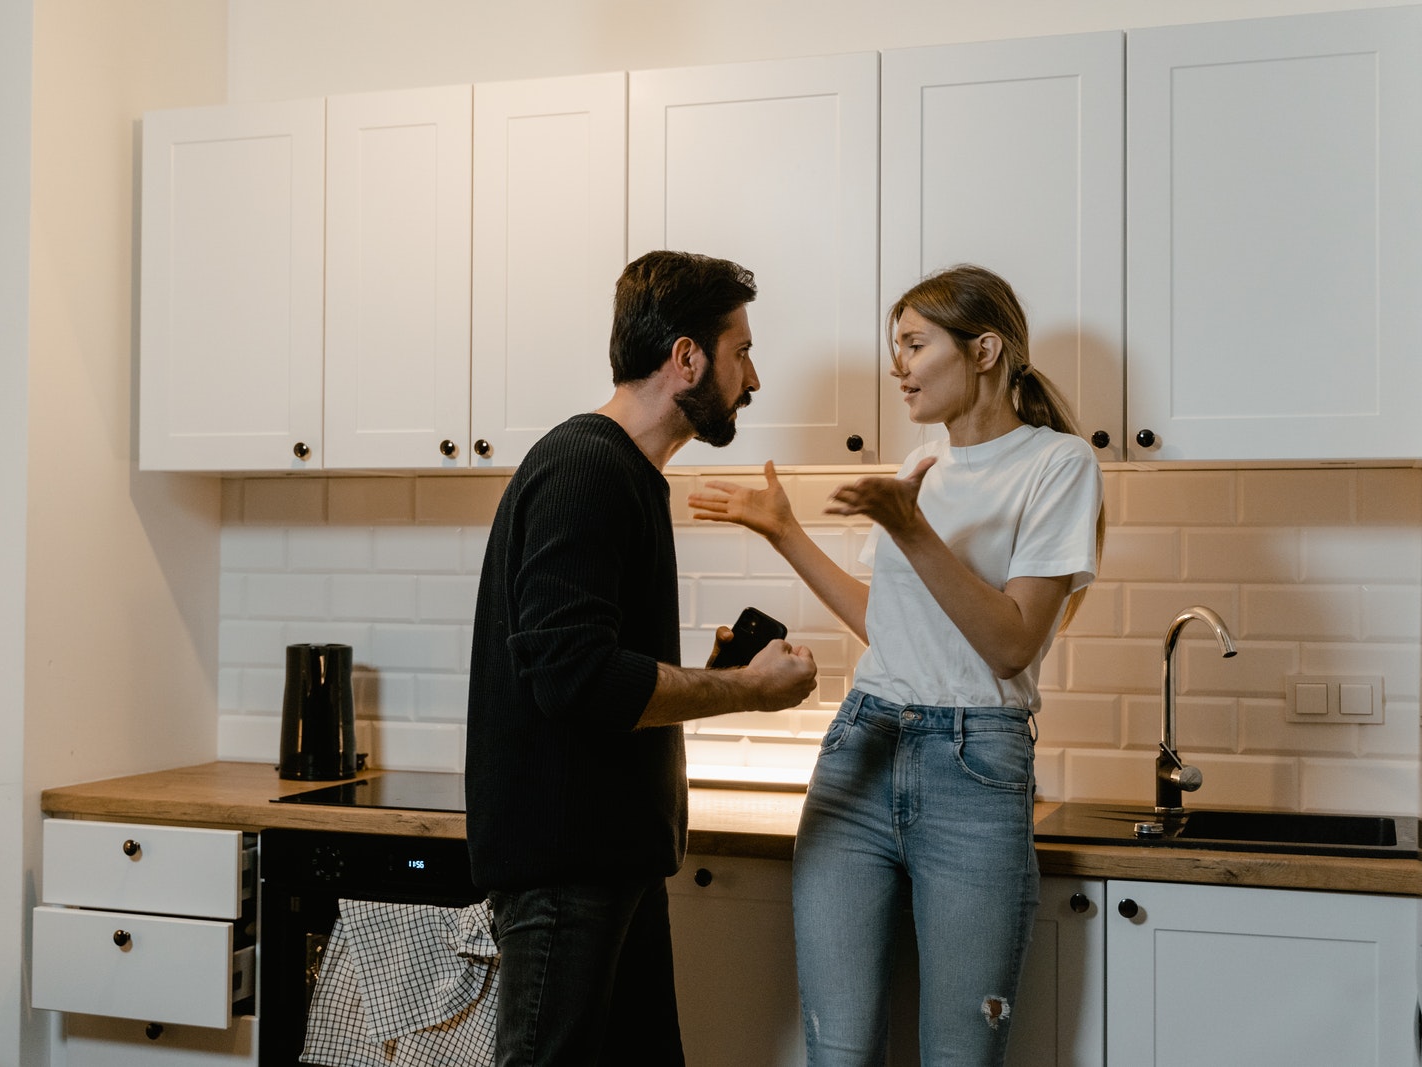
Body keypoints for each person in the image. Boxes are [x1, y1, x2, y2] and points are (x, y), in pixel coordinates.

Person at [689, 264, 1103, 1066]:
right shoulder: (922, 465)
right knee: (837, 1052)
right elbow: (891, 627)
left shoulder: (1058, 466)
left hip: (974, 766)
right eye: (896, 347)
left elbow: (1013, 641)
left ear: (984, 350)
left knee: (959, 1054)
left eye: (915, 344)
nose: (898, 365)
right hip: (863, 747)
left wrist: (910, 528)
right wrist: (783, 530)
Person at [466, 249, 819, 1067]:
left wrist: (715, 664)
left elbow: (591, 668)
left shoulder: (621, 473)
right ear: (686, 357)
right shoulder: (588, 467)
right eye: (742, 352)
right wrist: (745, 688)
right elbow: (576, 679)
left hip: (605, 865)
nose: (754, 378)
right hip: (567, 873)